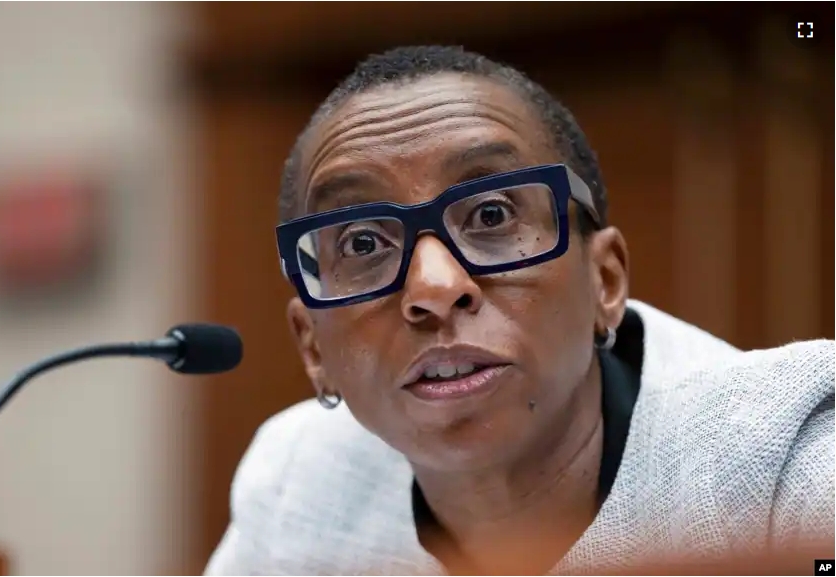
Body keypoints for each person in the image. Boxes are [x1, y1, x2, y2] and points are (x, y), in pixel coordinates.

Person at [204, 46, 834, 575]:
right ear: (314, 348)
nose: (434, 285)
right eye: (363, 244)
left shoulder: (783, 456)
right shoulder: (298, 484)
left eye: (492, 215)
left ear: (606, 280)